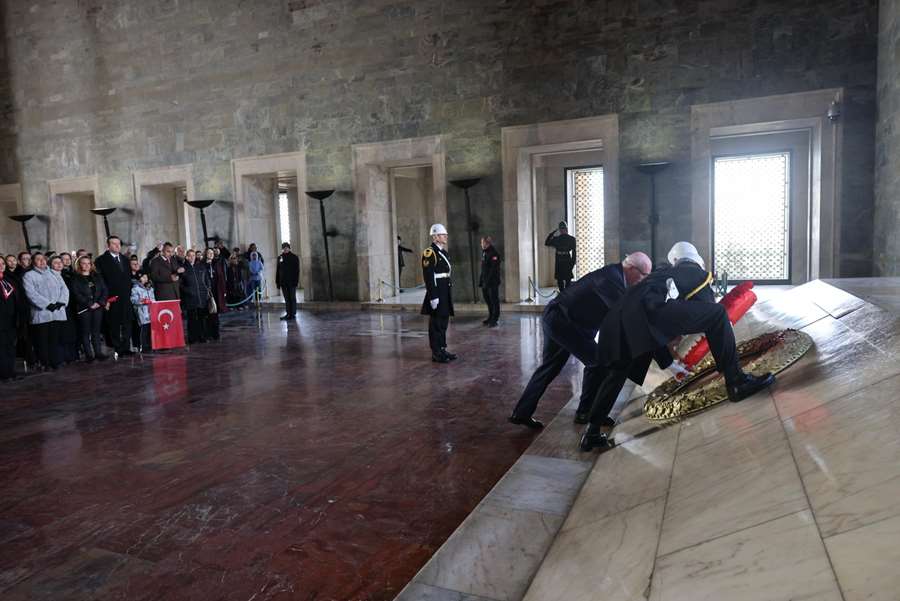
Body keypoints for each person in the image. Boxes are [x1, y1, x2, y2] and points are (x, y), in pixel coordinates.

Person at [579, 242, 777, 451]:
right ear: (695, 260)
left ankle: (591, 433)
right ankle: (737, 382)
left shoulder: (662, 275)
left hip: (618, 320)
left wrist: (669, 363)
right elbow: (709, 309)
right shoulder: (696, 273)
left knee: (617, 374)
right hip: (646, 314)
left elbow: (647, 323)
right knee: (718, 315)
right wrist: (722, 328)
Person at [508, 253, 653, 429]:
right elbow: (622, 314)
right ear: (631, 268)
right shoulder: (611, 279)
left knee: (549, 367)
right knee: (597, 363)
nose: (644, 280)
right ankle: (586, 412)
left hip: (561, 320)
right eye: (644, 275)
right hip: (563, 322)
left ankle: (521, 413)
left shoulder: (617, 276)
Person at [22, 253, 69, 370]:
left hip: (56, 312)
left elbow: (64, 289)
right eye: (38, 259)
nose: (42, 261)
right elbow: (31, 293)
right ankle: (45, 363)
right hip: (41, 314)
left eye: (43, 259)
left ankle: (55, 361)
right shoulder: (28, 275)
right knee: (42, 341)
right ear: (33, 262)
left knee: (54, 340)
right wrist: (47, 304)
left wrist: (61, 302)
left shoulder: (54, 273)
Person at [421, 223, 456, 364]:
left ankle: (442, 348)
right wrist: (433, 296)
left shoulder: (443, 252)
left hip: (445, 290)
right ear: (435, 237)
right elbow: (429, 276)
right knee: (436, 323)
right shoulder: (430, 253)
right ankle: (436, 352)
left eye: (445, 234)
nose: (445, 236)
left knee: (443, 322)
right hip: (437, 291)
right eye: (443, 234)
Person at [94, 235, 135, 357]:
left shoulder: (125, 259)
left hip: (126, 297)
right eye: (114, 243)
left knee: (127, 323)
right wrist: (105, 298)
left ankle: (126, 347)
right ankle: (118, 348)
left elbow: (128, 278)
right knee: (115, 324)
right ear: (108, 245)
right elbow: (101, 281)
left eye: (119, 244)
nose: (117, 246)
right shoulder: (100, 260)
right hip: (111, 298)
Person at [70, 255, 109, 361]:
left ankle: (98, 353)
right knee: (85, 332)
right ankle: (89, 355)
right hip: (84, 308)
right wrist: (89, 303)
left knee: (96, 331)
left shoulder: (97, 276)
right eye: (84, 263)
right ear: (79, 265)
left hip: (98, 307)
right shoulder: (75, 278)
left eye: (88, 263)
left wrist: (100, 302)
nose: (86, 265)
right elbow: (76, 294)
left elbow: (104, 290)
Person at [50, 256, 79, 363]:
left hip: (71, 307)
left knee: (71, 333)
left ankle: (72, 355)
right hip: (58, 307)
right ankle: (63, 357)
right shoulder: (50, 276)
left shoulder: (68, 275)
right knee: (62, 334)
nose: (59, 264)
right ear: (50, 265)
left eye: (60, 262)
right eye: (56, 262)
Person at [180, 249, 211, 344]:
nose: (192, 257)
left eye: (193, 255)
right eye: (190, 255)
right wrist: (188, 291)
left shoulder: (200, 267)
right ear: (187, 257)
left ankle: (202, 337)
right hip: (190, 298)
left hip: (202, 297)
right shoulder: (183, 268)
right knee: (192, 319)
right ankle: (192, 338)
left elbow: (206, 280)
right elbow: (180, 284)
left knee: (202, 319)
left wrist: (206, 290)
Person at [0, 260, 19, 380]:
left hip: (10, 321)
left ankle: (11, 372)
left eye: (2, 263)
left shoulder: (8, 280)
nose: (1, 266)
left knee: (10, 347)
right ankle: (3, 374)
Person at [545, 221, 576, 290]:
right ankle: (562, 294)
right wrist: (552, 233)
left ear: (566, 229)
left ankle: (566, 295)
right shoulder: (557, 239)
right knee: (560, 279)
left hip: (567, 259)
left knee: (568, 279)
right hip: (559, 260)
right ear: (560, 230)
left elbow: (574, 252)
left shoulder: (571, 239)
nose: (562, 230)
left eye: (564, 228)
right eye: (561, 229)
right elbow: (546, 243)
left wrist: (573, 263)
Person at [202, 247, 225, 340]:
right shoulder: (202, 265)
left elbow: (221, 278)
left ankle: (216, 333)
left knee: (215, 313)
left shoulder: (216, 264)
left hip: (216, 291)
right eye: (209, 253)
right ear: (205, 254)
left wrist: (224, 291)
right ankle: (208, 334)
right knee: (208, 314)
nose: (211, 254)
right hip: (207, 292)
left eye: (212, 253)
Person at [479, 236, 502, 327]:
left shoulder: (494, 254)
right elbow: (483, 268)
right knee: (488, 300)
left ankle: (495, 319)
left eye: (482, 242)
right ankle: (490, 317)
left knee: (494, 301)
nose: (481, 244)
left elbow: (493, 270)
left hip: (492, 282)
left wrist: (487, 282)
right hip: (485, 282)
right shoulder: (484, 252)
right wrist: (481, 280)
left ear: (487, 243)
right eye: (481, 243)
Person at [130, 273, 155, 353]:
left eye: (146, 276)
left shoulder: (150, 288)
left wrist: (152, 301)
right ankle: (143, 346)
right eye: (143, 277)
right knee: (143, 329)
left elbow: (153, 298)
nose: (145, 278)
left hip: (150, 311)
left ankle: (150, 345)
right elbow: (133, 300)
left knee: (149, 329)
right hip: (142, 311)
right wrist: (142, 301)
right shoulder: (136, 288)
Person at [275, 242, 300, 320]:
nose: (285, 249)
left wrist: (296, 281)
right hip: (283, 282)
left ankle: (293, 313)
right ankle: (288, 313)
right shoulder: (280, 257)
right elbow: (278, 270)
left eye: (286, 247)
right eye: (284, 247)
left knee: (292, 298)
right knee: (286, 298)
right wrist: (277, 282)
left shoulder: (294, 257)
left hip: (292, 282)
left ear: (289, 248)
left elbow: (297, 271)